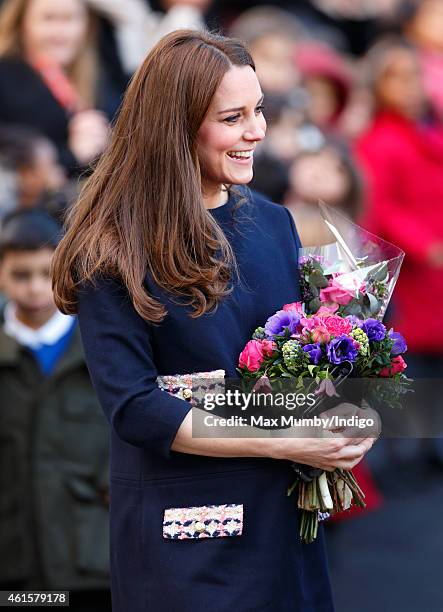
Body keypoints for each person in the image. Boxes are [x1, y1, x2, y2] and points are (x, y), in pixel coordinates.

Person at [51, 30, 374, 612]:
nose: (257, 132)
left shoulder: (276, 223)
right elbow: (136, 407)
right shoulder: (113, 246)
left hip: (285, 523)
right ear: (175, 126)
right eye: (233, 117)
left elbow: (295, 361)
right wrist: (285, 437)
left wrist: (339, 410)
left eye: (259, 111)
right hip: (184, 543)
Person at [0, 209, 111, 610]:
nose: (34, 288)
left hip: (94, 560)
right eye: (20, 274)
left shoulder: (102, 347)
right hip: (16, 563)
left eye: (45, 273)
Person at [0, 0, 112, 176]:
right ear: (22, 23)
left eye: (69, 19)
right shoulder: (6, 76)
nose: (60, 31)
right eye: (48, 18)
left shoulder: (98, 73)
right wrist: (72, 155)